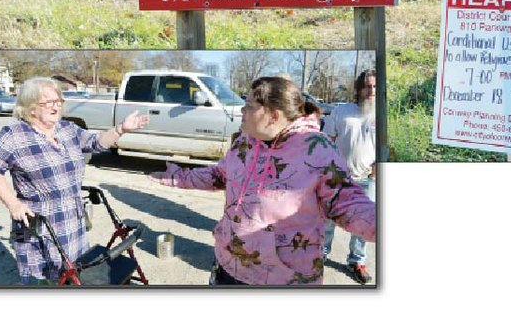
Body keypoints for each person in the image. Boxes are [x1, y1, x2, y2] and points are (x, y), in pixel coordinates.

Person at [149, 76, 376, 286]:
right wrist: (177, 177)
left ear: (273, 116)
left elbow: (348, 204)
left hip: (282, 280)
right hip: (227, 267)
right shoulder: (246, 142)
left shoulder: (317, 150)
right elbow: (219, 175)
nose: (241, 109)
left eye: (249, 105)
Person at [0, 76, 149, 284]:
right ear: (30, 107)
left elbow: (95, 143)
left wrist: (121, 129)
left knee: (75, 277)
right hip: (40, 227)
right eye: (48, 103)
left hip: (73, 222)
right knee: (43, 284)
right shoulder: (13, 135)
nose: (56, 108)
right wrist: (13, 203)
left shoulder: (67, 129)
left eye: (58, 102)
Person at [322, 69, 377, 284]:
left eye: (374, 86)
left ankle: (356, 260)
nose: (371, 90)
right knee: (328, 217)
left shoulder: (382, 114)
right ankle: (320, 253)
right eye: (366, 85)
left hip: (367, 179)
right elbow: (326, 141)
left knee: (363, 222)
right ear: (358, 88)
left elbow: (386, 147)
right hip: (338, 176)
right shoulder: (341, 111)